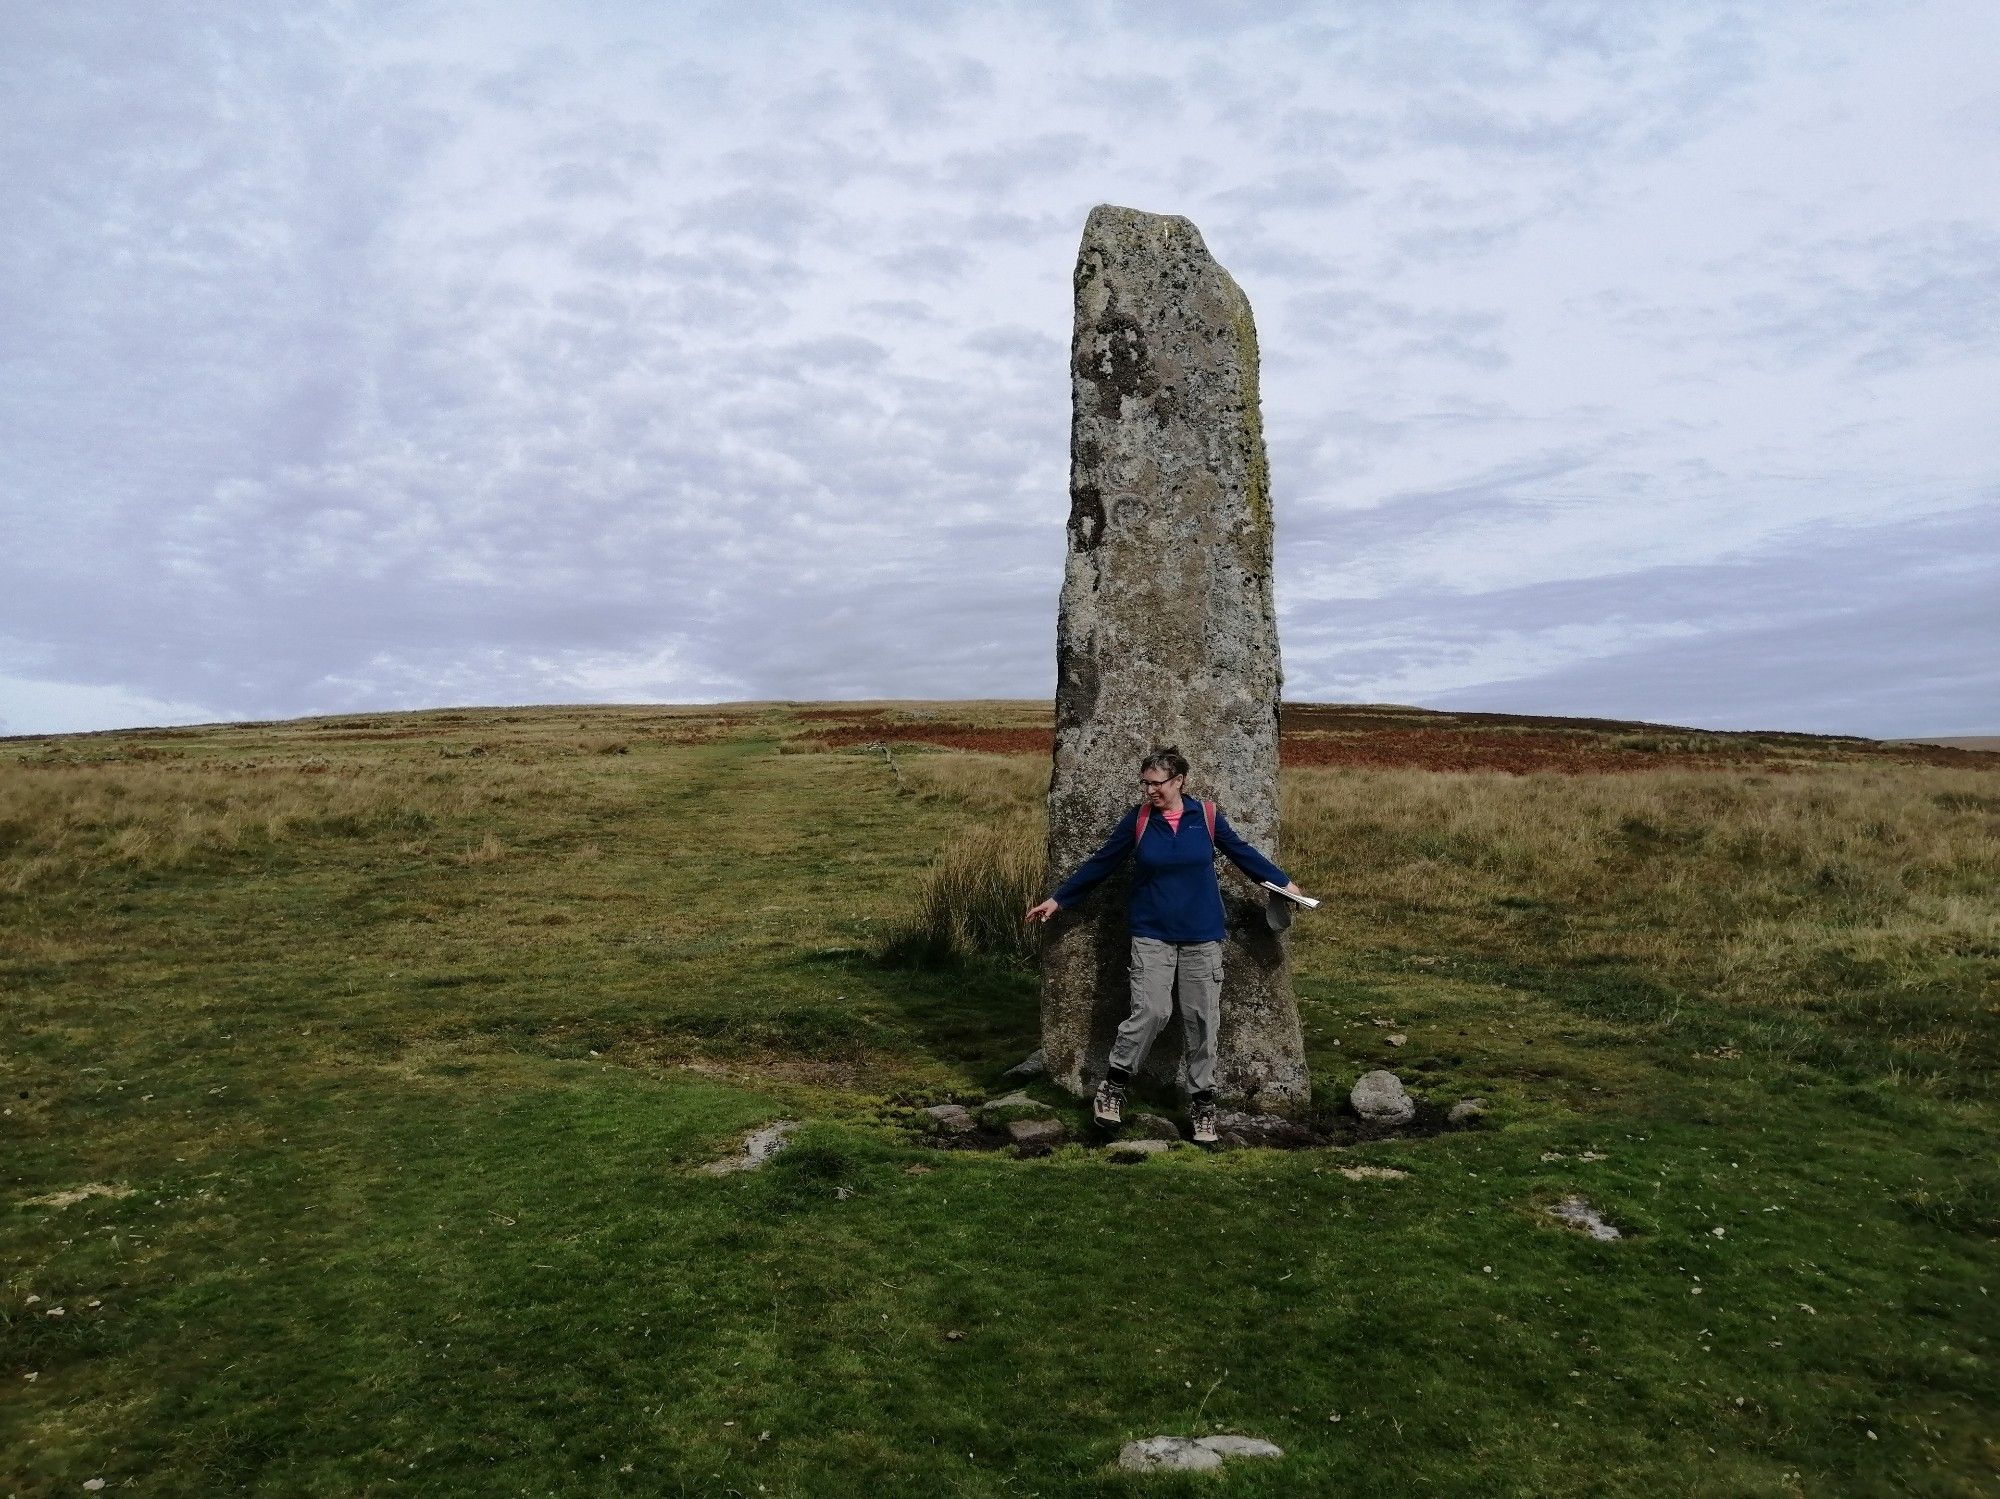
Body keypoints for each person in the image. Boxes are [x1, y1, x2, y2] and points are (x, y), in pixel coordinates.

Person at [1024, 746, 1306, 1144]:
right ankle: (1114, 1088)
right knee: (1153, 1010)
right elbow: (1101, 862)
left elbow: (1242, 853)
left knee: (1203, 1021)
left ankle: (1203, 1106)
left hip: (1202, 936)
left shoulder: (1205, 817)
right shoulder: (1139, 820)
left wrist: (1284, 884)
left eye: (1157, 784)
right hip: (1151, 934)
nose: (1150, 791)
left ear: (1179, 782)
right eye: (1146, 783)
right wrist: (1059, 899)